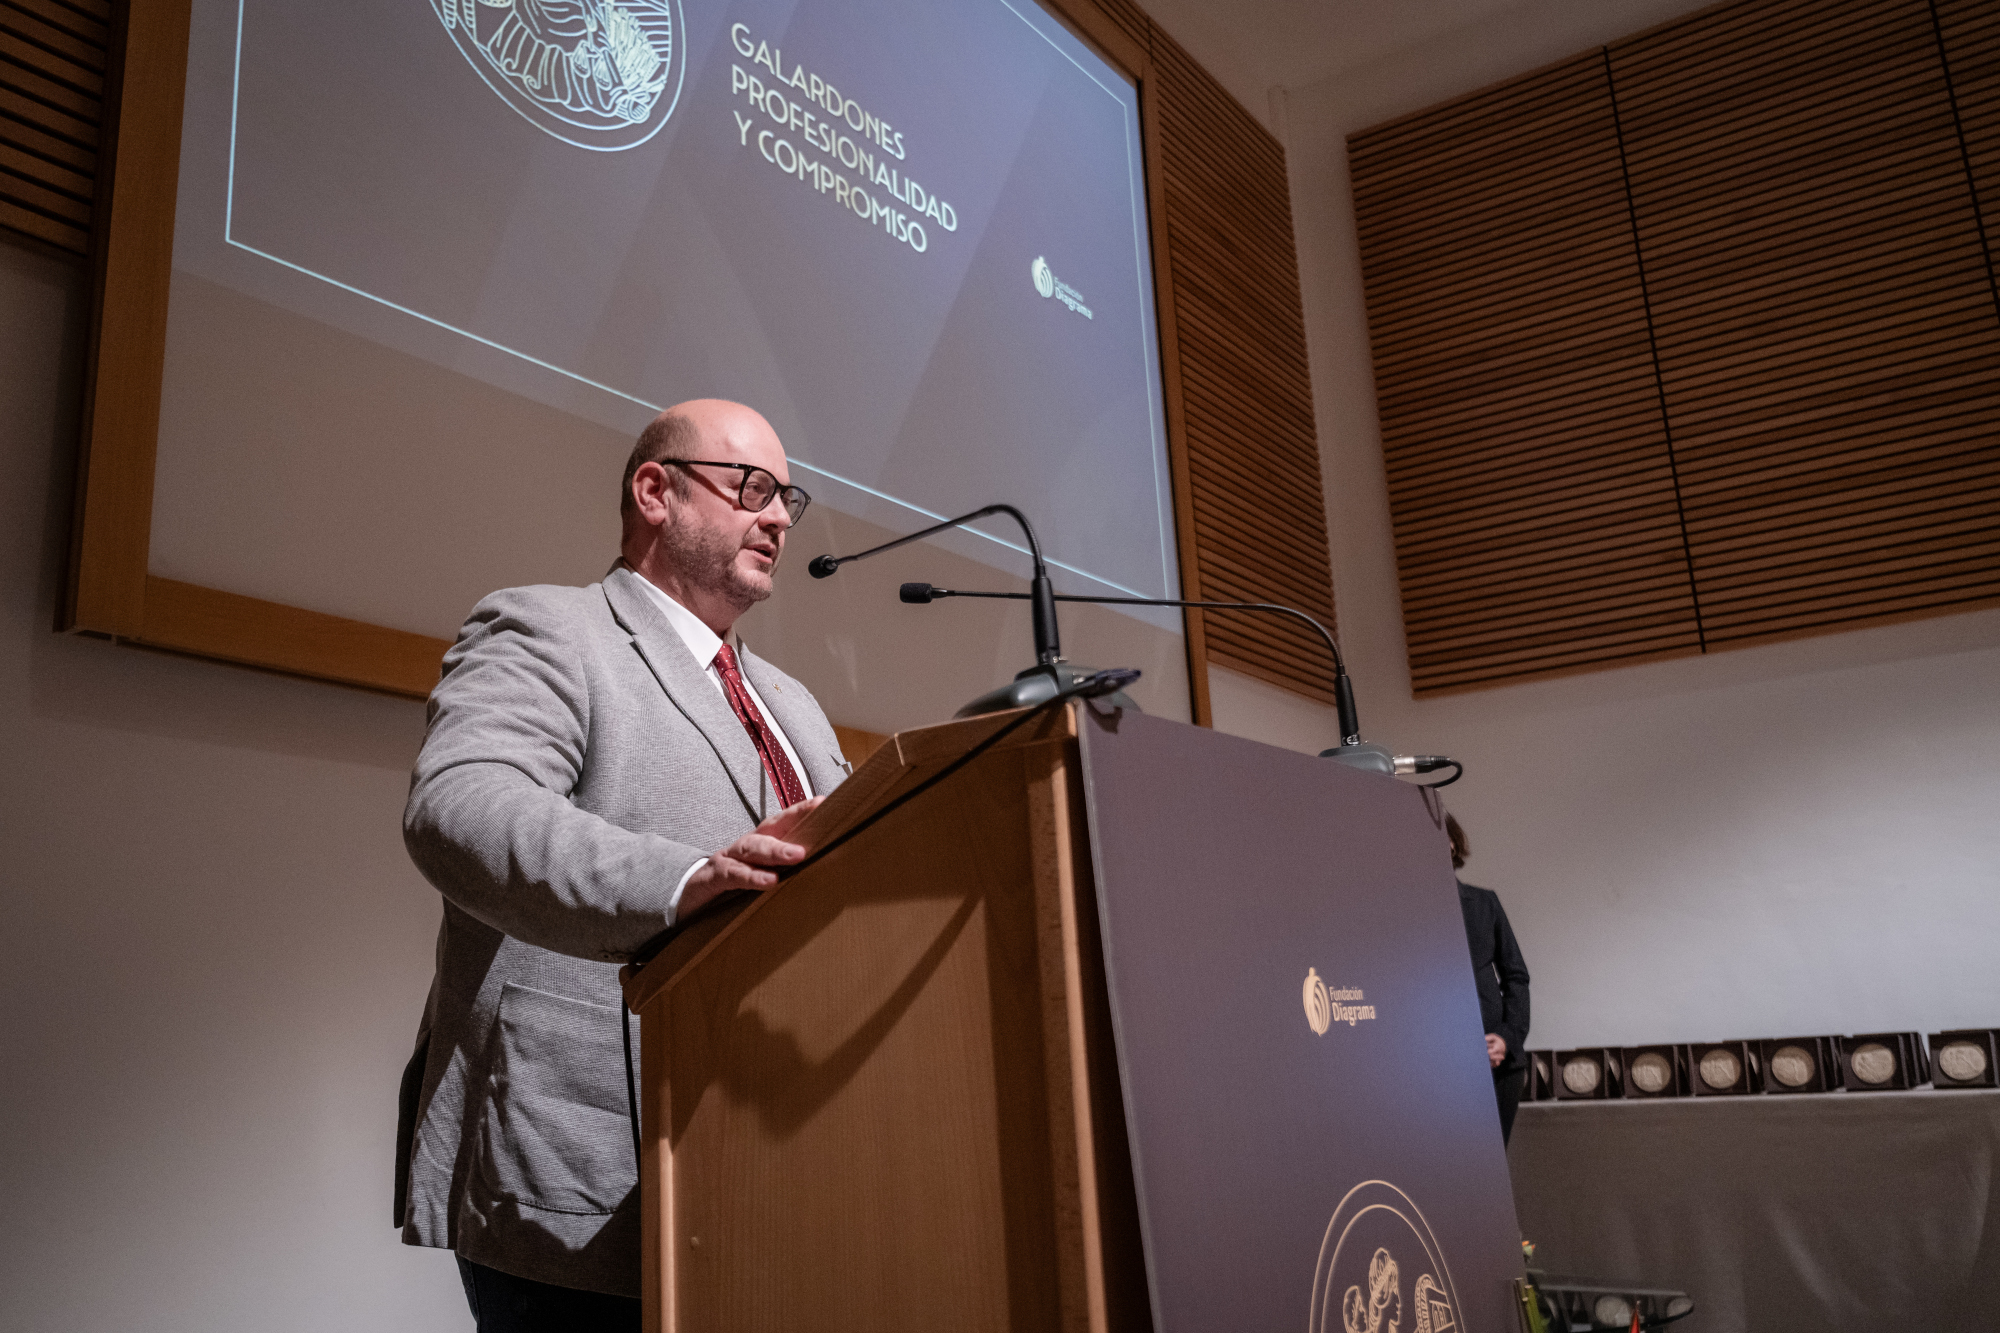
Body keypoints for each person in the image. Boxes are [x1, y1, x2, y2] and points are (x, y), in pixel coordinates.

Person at [394, 399, 850, 1330]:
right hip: (580, 1155)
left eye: (786, 500)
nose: (777, 517)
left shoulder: (793, 704)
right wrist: (681, 882)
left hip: (774, 1166)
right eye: (752, 489)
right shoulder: (550, 630)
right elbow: (462, 807)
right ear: (656, 491)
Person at [1449, 813, 1531, 1145]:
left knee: (1492, 1174)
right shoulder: (1401, 912)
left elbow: (1516, 977)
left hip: (1496, 1064)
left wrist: (1506, 1038)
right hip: (1438, 1071)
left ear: (1452, 844)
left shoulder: (1484, 903)